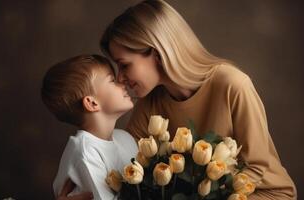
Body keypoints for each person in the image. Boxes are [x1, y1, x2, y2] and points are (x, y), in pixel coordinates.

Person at [60, 0, 297, 199]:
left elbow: (256, 166)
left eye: (124, 65)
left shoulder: (232, 84)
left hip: (265, 194)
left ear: (157, 52)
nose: (121, 78)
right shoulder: (151, 101)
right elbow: (128, 167)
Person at [41, 54, 138, 200]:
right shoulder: (85, 153)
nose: (122, 82)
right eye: (112, 80)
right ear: (92, 103)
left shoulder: (124, 138)